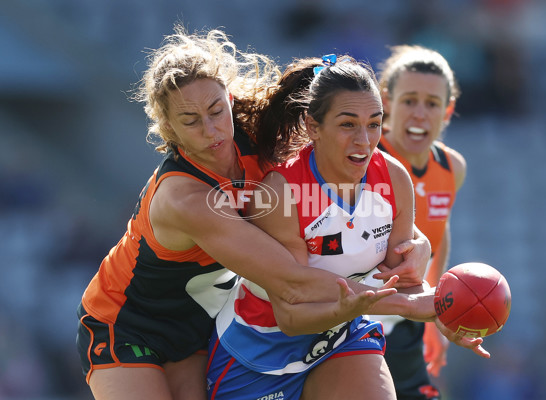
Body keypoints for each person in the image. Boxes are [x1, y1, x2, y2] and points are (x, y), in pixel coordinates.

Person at [75, 27, 433, 400]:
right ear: (168, 128)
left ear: (229, 99)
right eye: (190, 120)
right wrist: (408, 303)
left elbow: (364, 202)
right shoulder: (186, 199)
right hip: (127, 324)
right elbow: (291, 280)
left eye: (216, 110)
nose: (211, 131)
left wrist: (416, 242)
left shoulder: (260, 134)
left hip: (200, 323)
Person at [206, 54, 488, 400]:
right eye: (347, 124)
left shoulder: (395, 178)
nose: (364, 140)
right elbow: (291, 315)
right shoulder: (282, 192)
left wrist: (444, 312)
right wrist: (375, 307)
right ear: (313, 127)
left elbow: (405, 287)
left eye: (373, 124)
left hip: (343, 336)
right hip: (259, 351)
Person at [367, 44, 467, 399]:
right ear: (386, 101)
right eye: (409, 100)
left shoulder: (452, 167)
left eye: (432, 103)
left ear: (448, 111)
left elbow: (439, 238)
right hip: (360, 316)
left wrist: (437, 315)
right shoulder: (364, 162)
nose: (420, 114)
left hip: (409, 320)